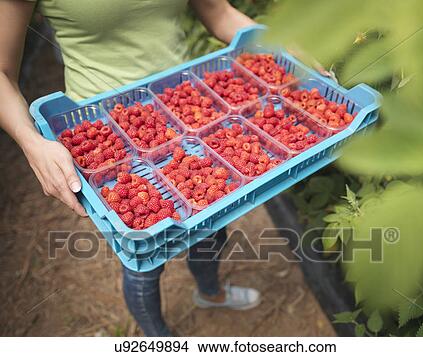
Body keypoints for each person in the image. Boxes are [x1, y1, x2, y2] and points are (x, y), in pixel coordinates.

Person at [0, 0, 331, 336]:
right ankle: (157, 337)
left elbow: (218, 12)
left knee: (213, 224)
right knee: (143, 261)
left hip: (187, 110)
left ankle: (209, 292)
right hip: (102, 131)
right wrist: (32, 142)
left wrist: (279, 43)